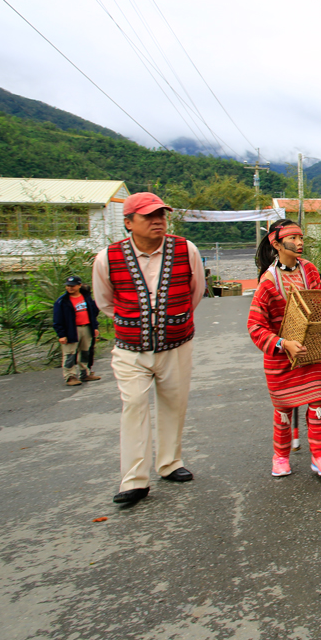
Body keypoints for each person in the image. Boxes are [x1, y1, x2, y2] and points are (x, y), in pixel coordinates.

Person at [92, 192, 205, 505]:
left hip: (177, 344)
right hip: (131, 349)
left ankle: (170, 462)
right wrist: (139, 322)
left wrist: (171, 320)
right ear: (129, 223)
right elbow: (105, 301)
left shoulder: (185, 249)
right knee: (135, 405)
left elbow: (196, 292)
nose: (158, 221)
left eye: (161, 215)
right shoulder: (108, 257)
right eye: (148, 216)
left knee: (174, 403)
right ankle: (134, 480)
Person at [248, 219, 321, 477]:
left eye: (301, 237)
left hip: (312, 353)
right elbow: (254, 326)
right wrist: (282, 343)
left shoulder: (309, 270)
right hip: (282, 358)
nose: (299, 243)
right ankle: (280, 456)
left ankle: (320, 456)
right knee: (284, 409)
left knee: (317, 402)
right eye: (293, 238)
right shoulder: (268, 282)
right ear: (276, 243)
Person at [52, 275, 100, 386]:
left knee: (85, 351)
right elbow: (57, 318)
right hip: (72, 330)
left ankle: (85, 373)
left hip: (86, 328)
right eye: (68, 286)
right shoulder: (62, 301)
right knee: (70, 354)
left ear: (79, 285)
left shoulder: (86, 298)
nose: (70, 288)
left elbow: (93, 313)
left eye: (73, 286)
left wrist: (94, 327)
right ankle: (70, 376)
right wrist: (61, 334)